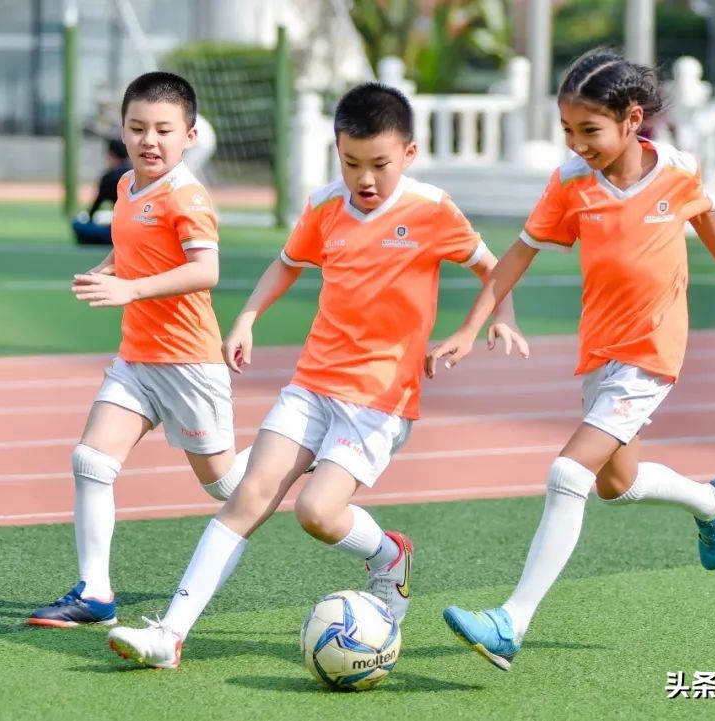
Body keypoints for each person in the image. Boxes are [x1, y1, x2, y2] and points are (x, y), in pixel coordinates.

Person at [105, 81, 527, 669]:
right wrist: (247, 318)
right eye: (352, 163)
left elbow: (494, 268)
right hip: (311, 384)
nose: (365, 178)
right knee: (249, 496)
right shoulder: (326, 205)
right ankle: (169, 636)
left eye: (379, 164)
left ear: (408, 153)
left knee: (317, 514)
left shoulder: (431, 209)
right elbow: (286, 265)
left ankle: (388, 555)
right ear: (337, 151)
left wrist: (485, 324)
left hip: (379, 399)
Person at [426, 49, 715, 671]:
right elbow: (517, 256)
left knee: (568, 473)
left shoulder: (677, 169)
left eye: (590, 130)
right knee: (617, 484)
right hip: (600, 349)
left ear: (632, 120)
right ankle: (713, 502)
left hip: (652, 349)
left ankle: (510, 622)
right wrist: (472, 326)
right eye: (567, 130)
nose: (578, 144)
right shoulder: (569, 184)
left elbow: (703, 210)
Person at [28, 71, 250, 628]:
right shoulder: (127, 186)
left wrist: (129, 290)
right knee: (91, 460)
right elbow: (133, 246)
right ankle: (95, 594)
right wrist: (108, 270)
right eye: (137, 128)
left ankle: (292, 454)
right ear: (123, 132)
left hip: (189, 364)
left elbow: (206, 270)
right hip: (137, 361)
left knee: (226, 486)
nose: (149, 140)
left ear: (190, 136)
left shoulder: (188, 197)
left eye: (163, 130)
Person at [71, 138, 132, 247]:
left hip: (118, 232)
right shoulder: (137, 173)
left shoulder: (109, 177)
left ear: (111, 154)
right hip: (140, 228)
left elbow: (95, 207)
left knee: (77, 224)